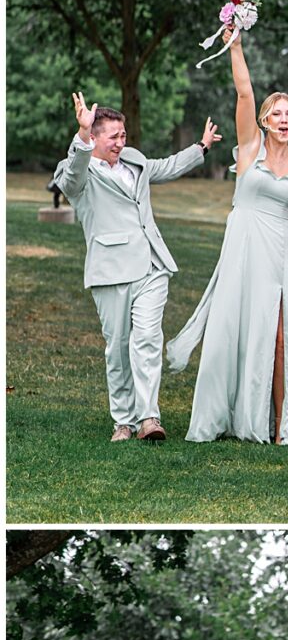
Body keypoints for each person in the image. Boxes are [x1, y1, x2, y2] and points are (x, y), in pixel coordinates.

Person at [166, 30, 288, 444]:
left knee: (280, 334)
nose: (284, 120)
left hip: (281, 249)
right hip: (244, 241)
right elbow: (243, 94)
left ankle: (277, 423)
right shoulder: (249, 147)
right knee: (233, 326)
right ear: (265, 121)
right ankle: (226, 412)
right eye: (277, 114)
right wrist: (235, 45)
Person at [54, 91, 220, 443]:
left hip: (151, 264)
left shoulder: (134, 160)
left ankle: (149, 418)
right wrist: (81, 136)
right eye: (112, 137)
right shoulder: (77, 171)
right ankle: (123, 421)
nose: (120, 142)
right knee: (118, 346)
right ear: (94, 136)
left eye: (123, 135)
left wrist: (201, 147)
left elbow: (165, 166)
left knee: (146, 338)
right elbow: (69, 181)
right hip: (109, 270)